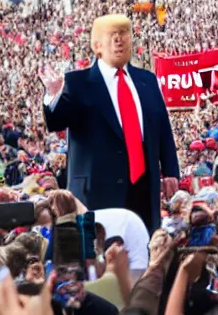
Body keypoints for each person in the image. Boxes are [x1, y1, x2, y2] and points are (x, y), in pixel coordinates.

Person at [41, 14, 180, 231]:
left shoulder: (147, 80)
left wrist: (170, 170)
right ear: (97, 45)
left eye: (124, 33)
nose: (119, 40)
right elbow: (57, 121)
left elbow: (162, 128)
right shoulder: (77, 82)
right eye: (112, 35)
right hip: (96, 194)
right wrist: (54, 95)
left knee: (143, 255)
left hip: (144, 192)